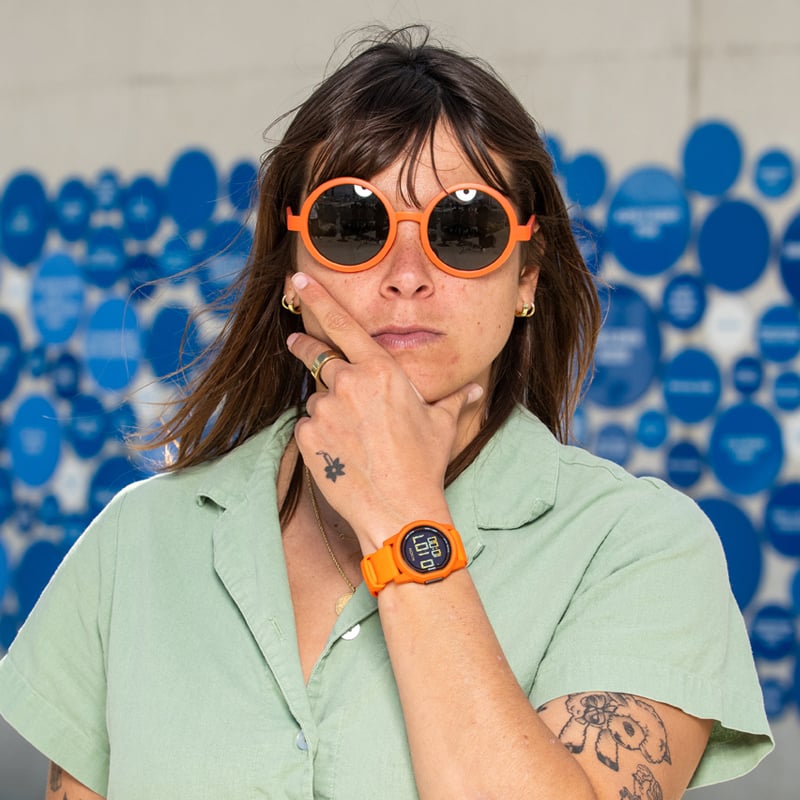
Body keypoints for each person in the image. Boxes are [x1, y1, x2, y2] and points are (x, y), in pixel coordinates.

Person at [0, 25, 772, 800]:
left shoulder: (640, 548)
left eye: (465, 229)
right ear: (293, 263)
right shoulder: (137, 544)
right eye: (354, 225)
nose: (408, 274)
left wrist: (405, 518)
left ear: (528, 276)